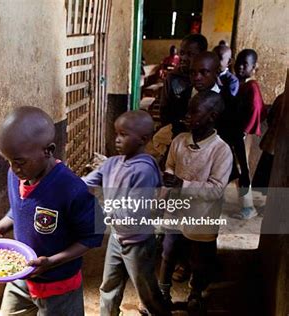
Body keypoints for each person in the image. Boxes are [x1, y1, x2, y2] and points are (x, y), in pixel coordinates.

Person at [0, 106, 103, 316]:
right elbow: (19, 210)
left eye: (19, 162)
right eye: (8, 161)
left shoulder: (71, 189)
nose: (13, 168)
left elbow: (92, 236)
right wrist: (0, 226)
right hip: (21, 276)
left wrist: (52, 262)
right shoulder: (17, 175)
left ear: (48, 150)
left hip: (59, 286)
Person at [83, 110, 171, 316]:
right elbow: (88, 183)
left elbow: (134, 213)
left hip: (138, 242)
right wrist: (63, 182)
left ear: (143, 139)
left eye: (124, 135)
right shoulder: (113, 163)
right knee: (109, 286)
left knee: (147, 292)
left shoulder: (145, 171)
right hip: (117, 237)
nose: (117, 140)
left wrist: (102, 210)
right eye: (116, 134)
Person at [158, 91, 232, 314]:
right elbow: (170, 166)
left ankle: (195, 293)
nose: (187, 116)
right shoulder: (180, 141)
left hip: (203, 216)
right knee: (168, 252)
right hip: (176, 211)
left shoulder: (221, 151)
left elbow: (216, 188)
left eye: (194, 112)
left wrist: (182, 184)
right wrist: (166, 190)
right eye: (188, 110)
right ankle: (163, 292)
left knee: (200, 259)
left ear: (212, 117)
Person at [231, 49, 265, 219]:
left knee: (241, 168)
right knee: (238, 169)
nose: (240, 67)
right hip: (237, 133)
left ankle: (249, 207)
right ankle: (245, 204)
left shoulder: (252, 87)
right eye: (238, 63)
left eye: (245, 64)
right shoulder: (240, 84)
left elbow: (257, 110)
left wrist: (245, 131)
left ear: (254, 67)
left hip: (242, 134)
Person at [159, 33, 208, 137]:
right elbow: (164, 109)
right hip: (175, 132)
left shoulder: (207, 78)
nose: (184, 58)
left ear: (202, 55)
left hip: (200, 135)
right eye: (182, 53)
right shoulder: (173, 77)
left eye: (190, 54)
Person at [252, 92, 284, 198]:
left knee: (268, 177)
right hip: (279, 146)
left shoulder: (282, 97)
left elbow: (270, 117)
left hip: (272, 143)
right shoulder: (283, 98)